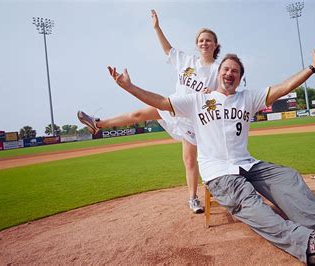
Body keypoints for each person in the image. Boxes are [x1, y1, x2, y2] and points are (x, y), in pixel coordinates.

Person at [106, 36, 315, 264]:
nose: (229, 73)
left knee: (287, 177)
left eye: (235, 71)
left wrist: (312, 68)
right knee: (250, 203)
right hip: (218, 172)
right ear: (218, 74)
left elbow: (282, 88)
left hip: (248, 164)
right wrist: (129, 87)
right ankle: (308, 244)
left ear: (240, 78)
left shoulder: (248, 98)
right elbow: (161, 102)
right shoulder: (198, 100)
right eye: (226, 69)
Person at [78, 10, 221, 214]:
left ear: (215, 45)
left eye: (208, 40)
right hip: (172, 107)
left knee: (192, 160)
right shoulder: (187, 61)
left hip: (196, 120)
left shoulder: (218, 69)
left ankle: (194, 198)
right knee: (137, 115)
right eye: (201, 40)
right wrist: (156, 27)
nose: (204, 43)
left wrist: (213, 93)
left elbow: (224, 94)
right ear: (197, 44)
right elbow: (167, 49)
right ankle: (97, 124)